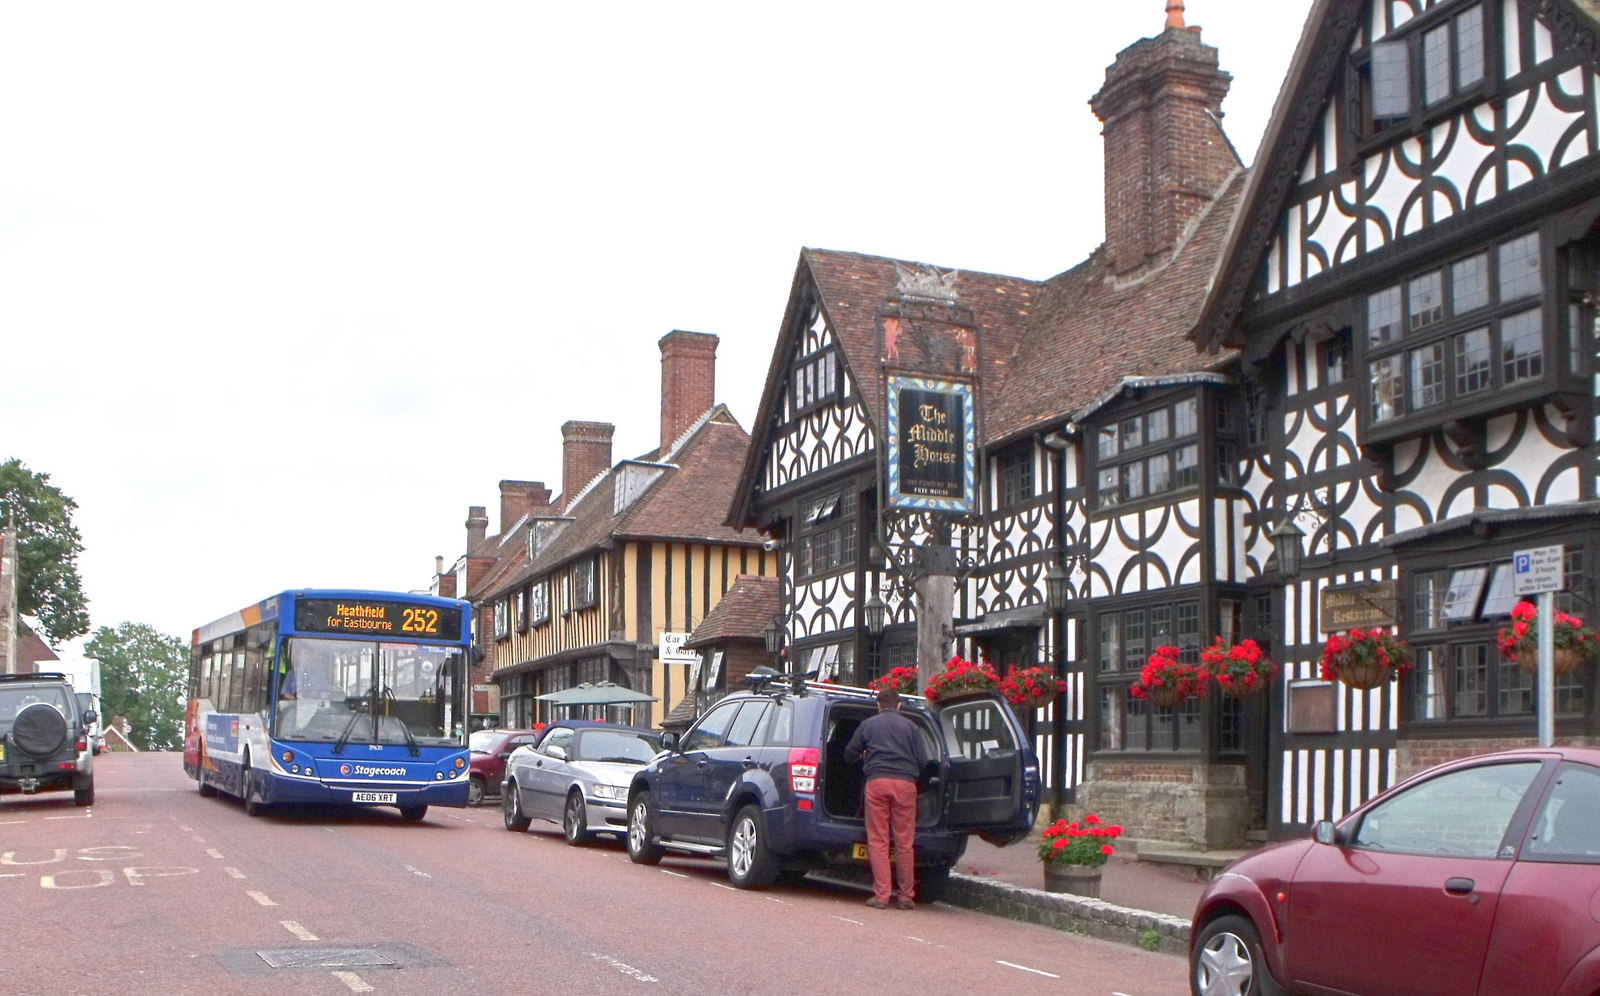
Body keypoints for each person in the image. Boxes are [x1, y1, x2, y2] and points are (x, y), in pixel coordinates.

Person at [843, 685, 928, 910]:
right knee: (904, 842)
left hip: (877, 782)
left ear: (878, 706)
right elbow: (923, 761)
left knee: (879, 840)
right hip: (906, 784)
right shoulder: (911, 727)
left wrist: (864, 755)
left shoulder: (868, 725)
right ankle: (906, 896)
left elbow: (848, 753)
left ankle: (882, 895)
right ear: (899, 705)